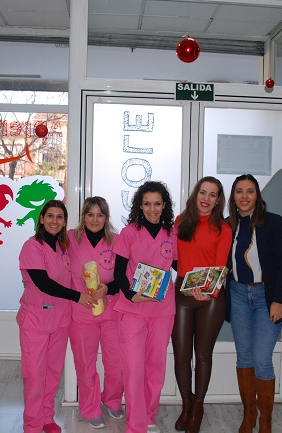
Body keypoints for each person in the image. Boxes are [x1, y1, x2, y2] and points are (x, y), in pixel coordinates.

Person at [17, 200, 97, 433]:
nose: (54, 221)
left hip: (61, 320)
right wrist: (78, 297)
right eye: (50, 216)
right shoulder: (32, 246)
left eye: (60, 217)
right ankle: (32, 424)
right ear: (41, 219)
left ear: (64, 222)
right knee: (34, 375)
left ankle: (47, 418)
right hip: (36, 321)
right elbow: (43, 283)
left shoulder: (63, 248)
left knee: (52, 373)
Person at [227, 174, 282, 433]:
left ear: (257, 195)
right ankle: (249, 415)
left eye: (250, 191)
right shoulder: (227, 225)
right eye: (239, 191)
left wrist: (278, 300)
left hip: (267, 296)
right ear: (233, 196)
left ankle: (265, 420)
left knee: (261, 358)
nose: (244, 196)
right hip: (237, 295)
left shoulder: (273, 222)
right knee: (244, 356)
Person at [113, 181, 177, 433]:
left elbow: (179, 267)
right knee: (133, 367)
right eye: (147, 204)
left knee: (155, 366)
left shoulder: (172, 234)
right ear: (140, 205)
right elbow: (119, 272)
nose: (152, 209)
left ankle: (149, 415)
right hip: (133, 309)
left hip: (162, 309)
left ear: (164, 205)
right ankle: (135, 423)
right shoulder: (129, 233)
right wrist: (131, 295)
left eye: (157, 204)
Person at [172, 176, 232, 433]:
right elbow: (173, 257)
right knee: (181, 355)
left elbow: (220, 266)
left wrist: (207, 291)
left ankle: (198, 407)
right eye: (203, 192)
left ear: (218, 200)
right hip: (183, 294)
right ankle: (186, 405)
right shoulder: (180, 221)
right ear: (196, 194)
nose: (206, 198)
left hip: (211, 298)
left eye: (212, 194)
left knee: (203, 355)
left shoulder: (223, 228)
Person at [67, 197, 125, 429]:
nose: (94, 219)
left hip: (111, 310)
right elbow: (49, 253)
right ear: (83, 217)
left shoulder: (117, 241)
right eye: (90, 214)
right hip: (81, 312)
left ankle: (112, 400)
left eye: (100, 215)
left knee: (116, 363)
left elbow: (124, 276)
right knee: (85, 364)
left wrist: (107, 288)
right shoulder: (70, 239)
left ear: (106, 218)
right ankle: (90, 408)